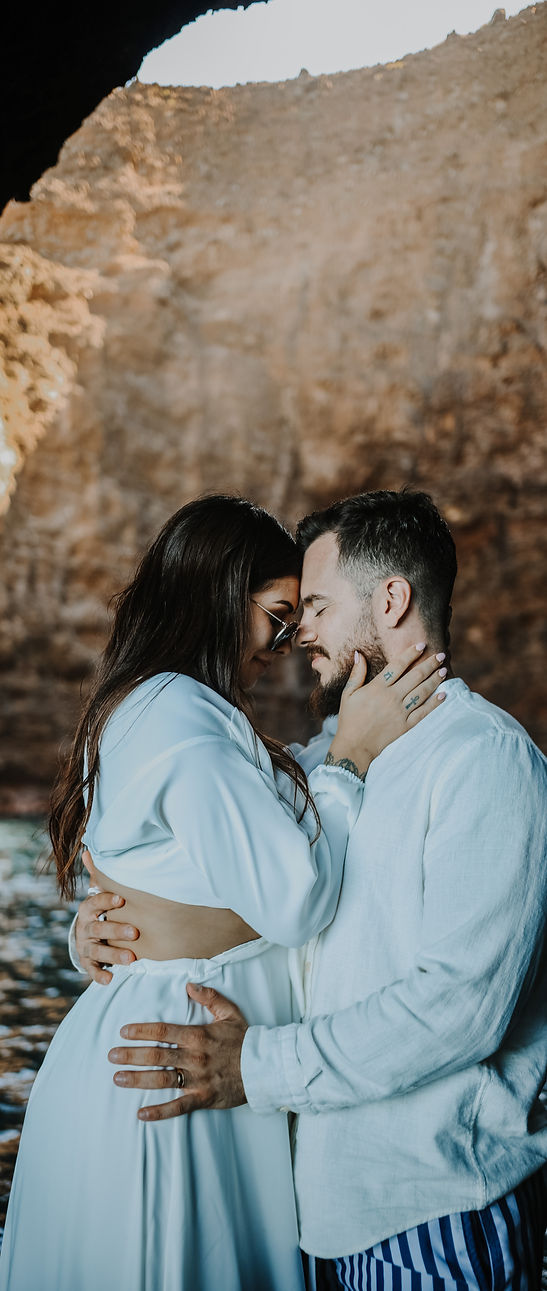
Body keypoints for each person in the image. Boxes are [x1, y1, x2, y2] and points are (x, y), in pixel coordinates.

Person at [99, 490, 547, 1290]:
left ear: (391, 600)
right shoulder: (326, 764)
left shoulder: (484, 758)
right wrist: (100, 924)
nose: (296, 632)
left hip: (435, 1209)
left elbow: (457, 1007)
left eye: (315, 606)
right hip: (320, 1216)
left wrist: (257, 1067)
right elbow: (208, 871)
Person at [0, 493, 445, 1291]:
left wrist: (91, 931)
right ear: (219, 594)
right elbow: (295, 901)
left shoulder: (160, 704)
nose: (285, 642)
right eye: (278, 615)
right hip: (171, 1061)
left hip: (174, 1047)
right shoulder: (180, 715)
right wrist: (349, 760)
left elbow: (165, 865)